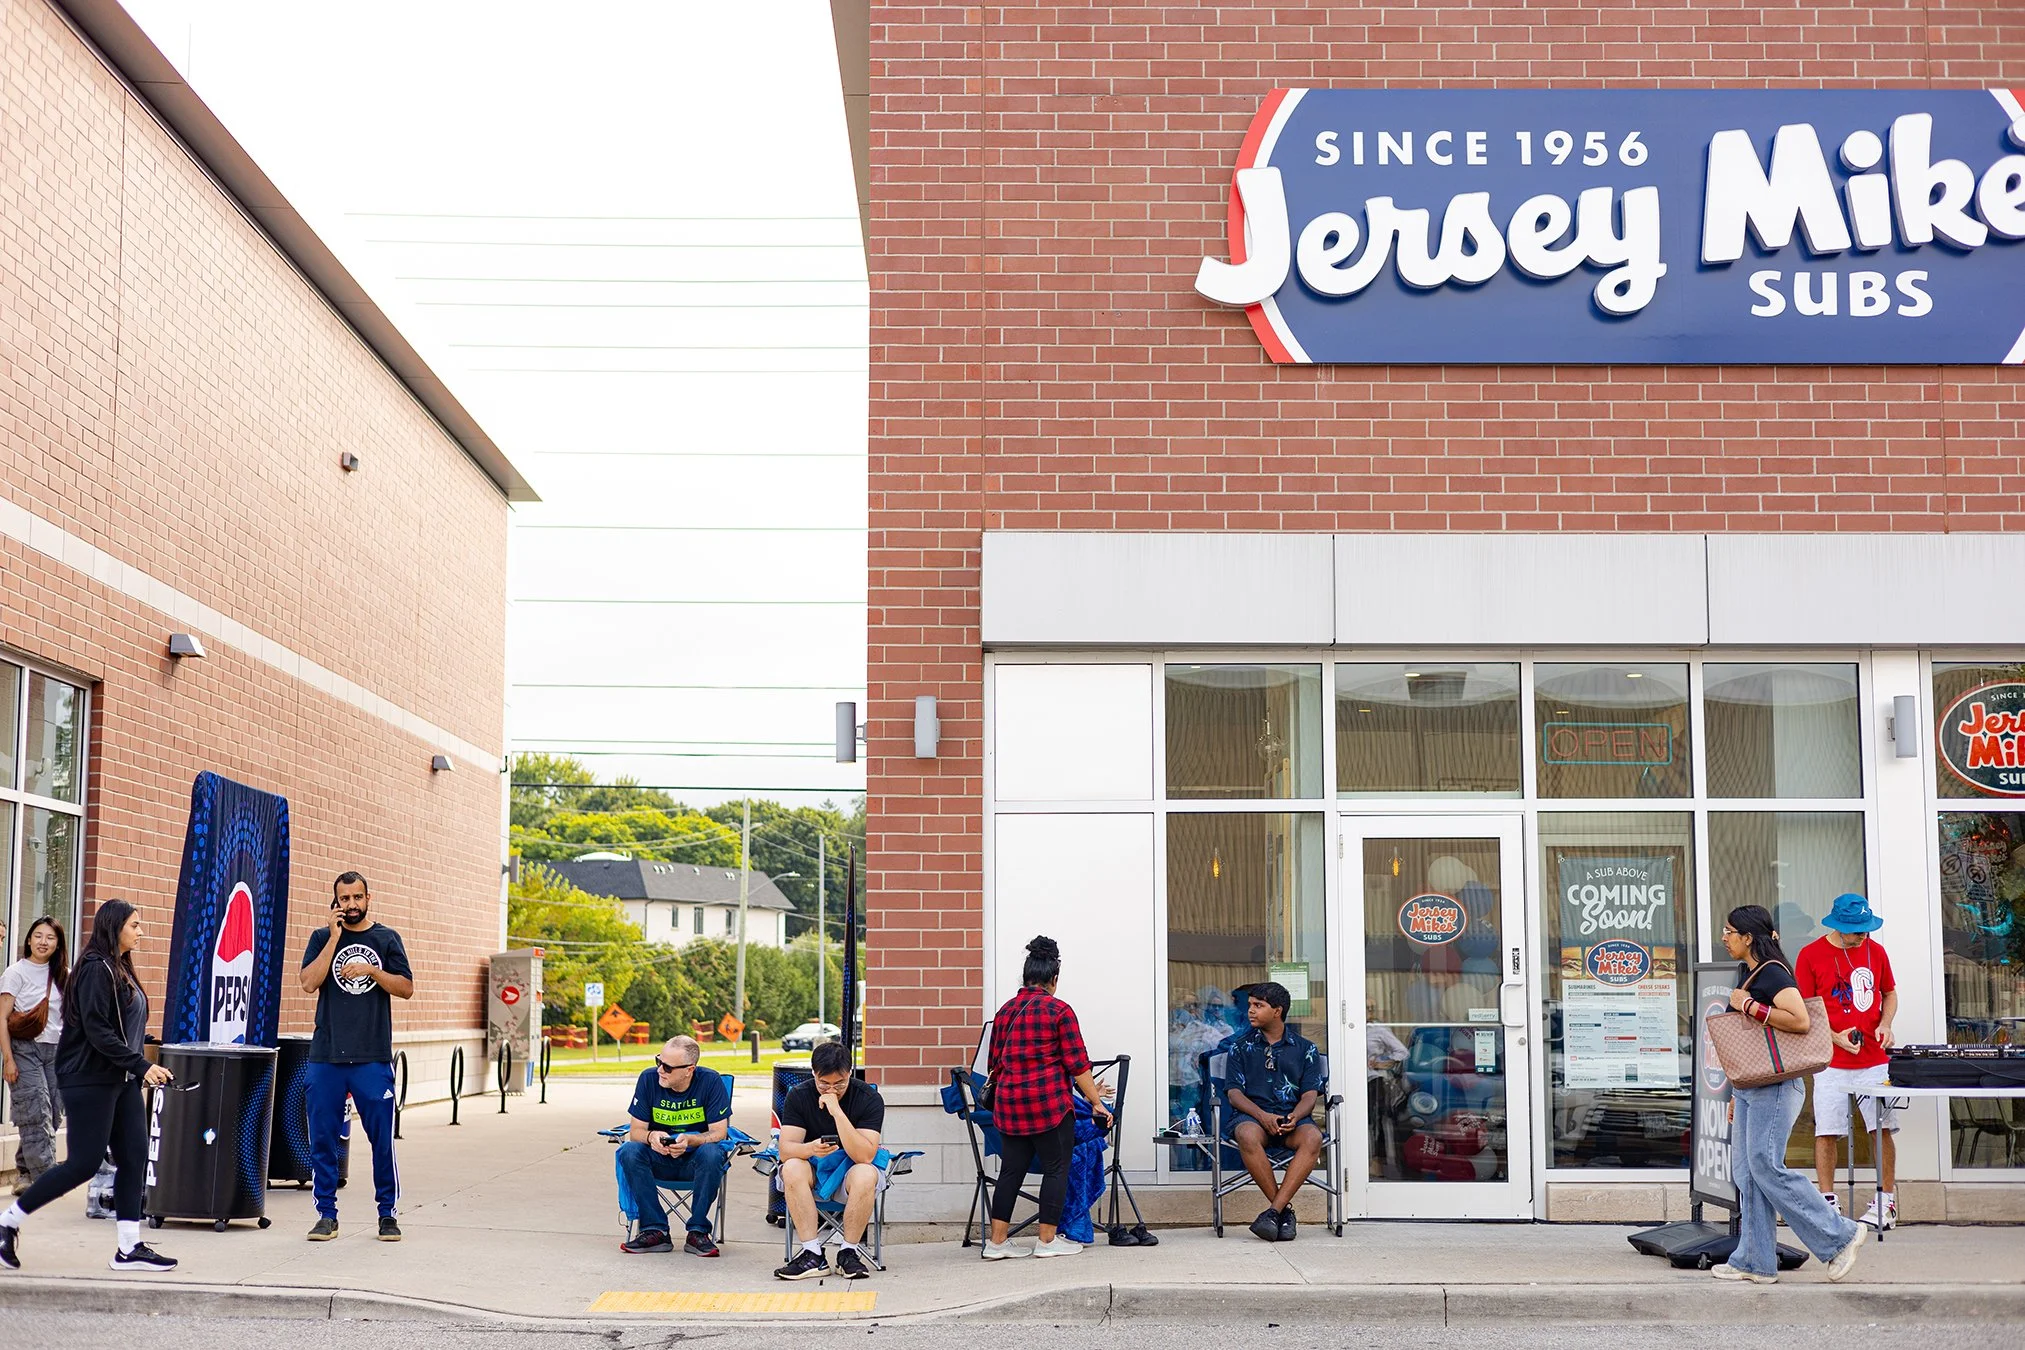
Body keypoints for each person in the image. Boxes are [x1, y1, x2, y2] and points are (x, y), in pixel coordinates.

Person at [0, 900, 177, 1272]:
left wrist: (140, 1065)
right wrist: (142, 1065)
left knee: (134, 1157)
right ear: (115, 927)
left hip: (121, 1079)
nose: (140, 931)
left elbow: (124, 1028)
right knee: (83, 1164)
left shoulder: (119, 966)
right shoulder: (96, 968)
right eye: (134, 925)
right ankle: (7, 1222)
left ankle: (128, 1248)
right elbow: (98, 1031)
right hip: (91, 1079)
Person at [1714, 905, 1866, 1285]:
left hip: (1777, 1086)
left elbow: (1799, 1019)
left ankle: (1840, 1235)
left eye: (1729, 931)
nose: (1724, 937)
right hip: (1751, 1086)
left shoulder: (1773, 973)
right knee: (1748, 1173)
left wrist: (1750, 1005)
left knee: (1766, 1165)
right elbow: (1749, 1044)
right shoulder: (1750, 972)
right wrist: (1736, 1091)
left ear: (1748, 937)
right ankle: (1754, 1261)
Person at [299, 872, 413, 1243]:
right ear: (336, 902)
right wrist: (334, 938)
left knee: (381, 1140)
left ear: (368, 898)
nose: (351, 904)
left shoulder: (386, 938)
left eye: (357, 897)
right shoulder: (321, 938)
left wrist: (372, 970)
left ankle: (387, 1215)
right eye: (344, 899)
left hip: (371, 1057)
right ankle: (326, 1215)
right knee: (323, 1140)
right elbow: (308, 983)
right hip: (327, 1056)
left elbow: (406, 988)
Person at [983, 935, 1113, 1259]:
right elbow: (1078, 1064)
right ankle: (1047, 1240)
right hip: (1049, 1107)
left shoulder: (1004, 1012)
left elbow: (993, 1063)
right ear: (1053, 978)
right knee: (1056, 1169)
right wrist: (1096, 1103)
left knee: (1010, 1172)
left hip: (1010, 1107)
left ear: (1025, 976)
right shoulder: (1060, 1011)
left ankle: (996, 1243)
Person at [1794, 892, 1900, 1230]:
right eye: (1857, 931)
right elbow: (1804, 1011)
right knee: (1827, 1130)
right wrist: (1835, 1037)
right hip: (1830, 1061)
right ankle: (1827, 1200)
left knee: (1881, 1128)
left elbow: (1890, 993)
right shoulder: (1810, 955)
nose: (1863, 936)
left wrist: (1886, 1024)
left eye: (1866, 929)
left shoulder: (1876, 951)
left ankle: (1886, 1201)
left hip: (1874, 1058)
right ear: (1839, 927)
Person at [773, 1039, 887, 1280]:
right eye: (824, 1083)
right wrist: (811, 1149)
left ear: (850, 1073)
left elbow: (865, 1155)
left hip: (850, 1173)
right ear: (814, 1073)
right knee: (791, 1167)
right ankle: (812, 1254)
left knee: (866, 1173)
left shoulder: (868, 1097)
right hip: (813, 1172)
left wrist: (836, 1111)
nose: (832, 1090)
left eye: (840, 1083)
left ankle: (849, 1252)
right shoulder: (799, 1095)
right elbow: (786, 1150)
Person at [1226, 981, 1327, 1241]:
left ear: (1277, 1011)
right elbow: (1234, 1093)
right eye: (1250, 1005)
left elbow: (1310, 1094)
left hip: (1292, 1119)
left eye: (1258, 1005)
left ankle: (1273, 1213)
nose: (1250, 1010)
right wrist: (1262, 1116)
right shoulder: (1239, 1047)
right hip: (1252, 1118)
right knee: (1246, 1134)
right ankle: (1282, 1213)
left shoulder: (1306, 1049)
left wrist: (1295, 1116)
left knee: (1313, 1137)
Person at [616, 1035, 731, 1256]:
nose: (660, 1069)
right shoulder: (648, 1079)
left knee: (712, 1153)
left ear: (689, 1070)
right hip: (658, 1160)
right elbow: (636, 1132)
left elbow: (719, 1132)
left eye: (667, 1067)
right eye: (658, 1061)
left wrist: (691, 1140)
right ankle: (655, 1230)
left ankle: (698, 1232)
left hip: (696, 1164)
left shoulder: (710, 1081)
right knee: (629, 1151)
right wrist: (651, 1136)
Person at [2, 917, 68, 1191]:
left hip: (57, 1051)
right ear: (28, 940)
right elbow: (2, 1018)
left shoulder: (64, 974)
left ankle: (25, 1172)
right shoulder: (15, 973)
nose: (43, 942)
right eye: (38, 936)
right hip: (24, 1049)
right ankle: (46, 1180)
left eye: (50, 937)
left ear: (58, 944)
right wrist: (8, 1059)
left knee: (52, 1112)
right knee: (36, 1110)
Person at [1365, 997, 1407, 1177]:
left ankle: (1378, 1163)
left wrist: (1383, 1061)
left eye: (1372, 1008)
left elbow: (1402, 1052)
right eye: (1366, 1007)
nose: (1370, 1011)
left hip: (1374, 1080)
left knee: (1375, 1122)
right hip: (1352, 1081)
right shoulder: (1349, 1027)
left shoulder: (1378, 1029)